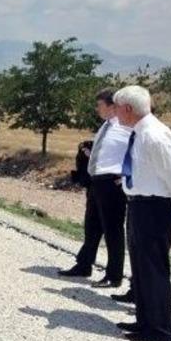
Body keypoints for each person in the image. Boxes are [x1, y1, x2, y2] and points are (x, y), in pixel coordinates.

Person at [113, 85, 171, 341]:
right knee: (140, 267)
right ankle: (145, 321)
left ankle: (161, 330)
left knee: (153, 268)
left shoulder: (154, 135)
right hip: (141, 205)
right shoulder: (140, 132)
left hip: (155, 208)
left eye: (117, 108)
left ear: (128, 109)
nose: (115, 113)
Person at [59, 89, 131, 288]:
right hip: (96, 181)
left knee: (112, 230)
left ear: (112, 106)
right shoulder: (106, 126)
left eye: (99, 105)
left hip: (112, 184)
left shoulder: (125, 128)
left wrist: (125, 175)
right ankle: (84, 265)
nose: (96, 109)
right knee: (91, 226)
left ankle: (114, 275)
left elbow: (136, 153)